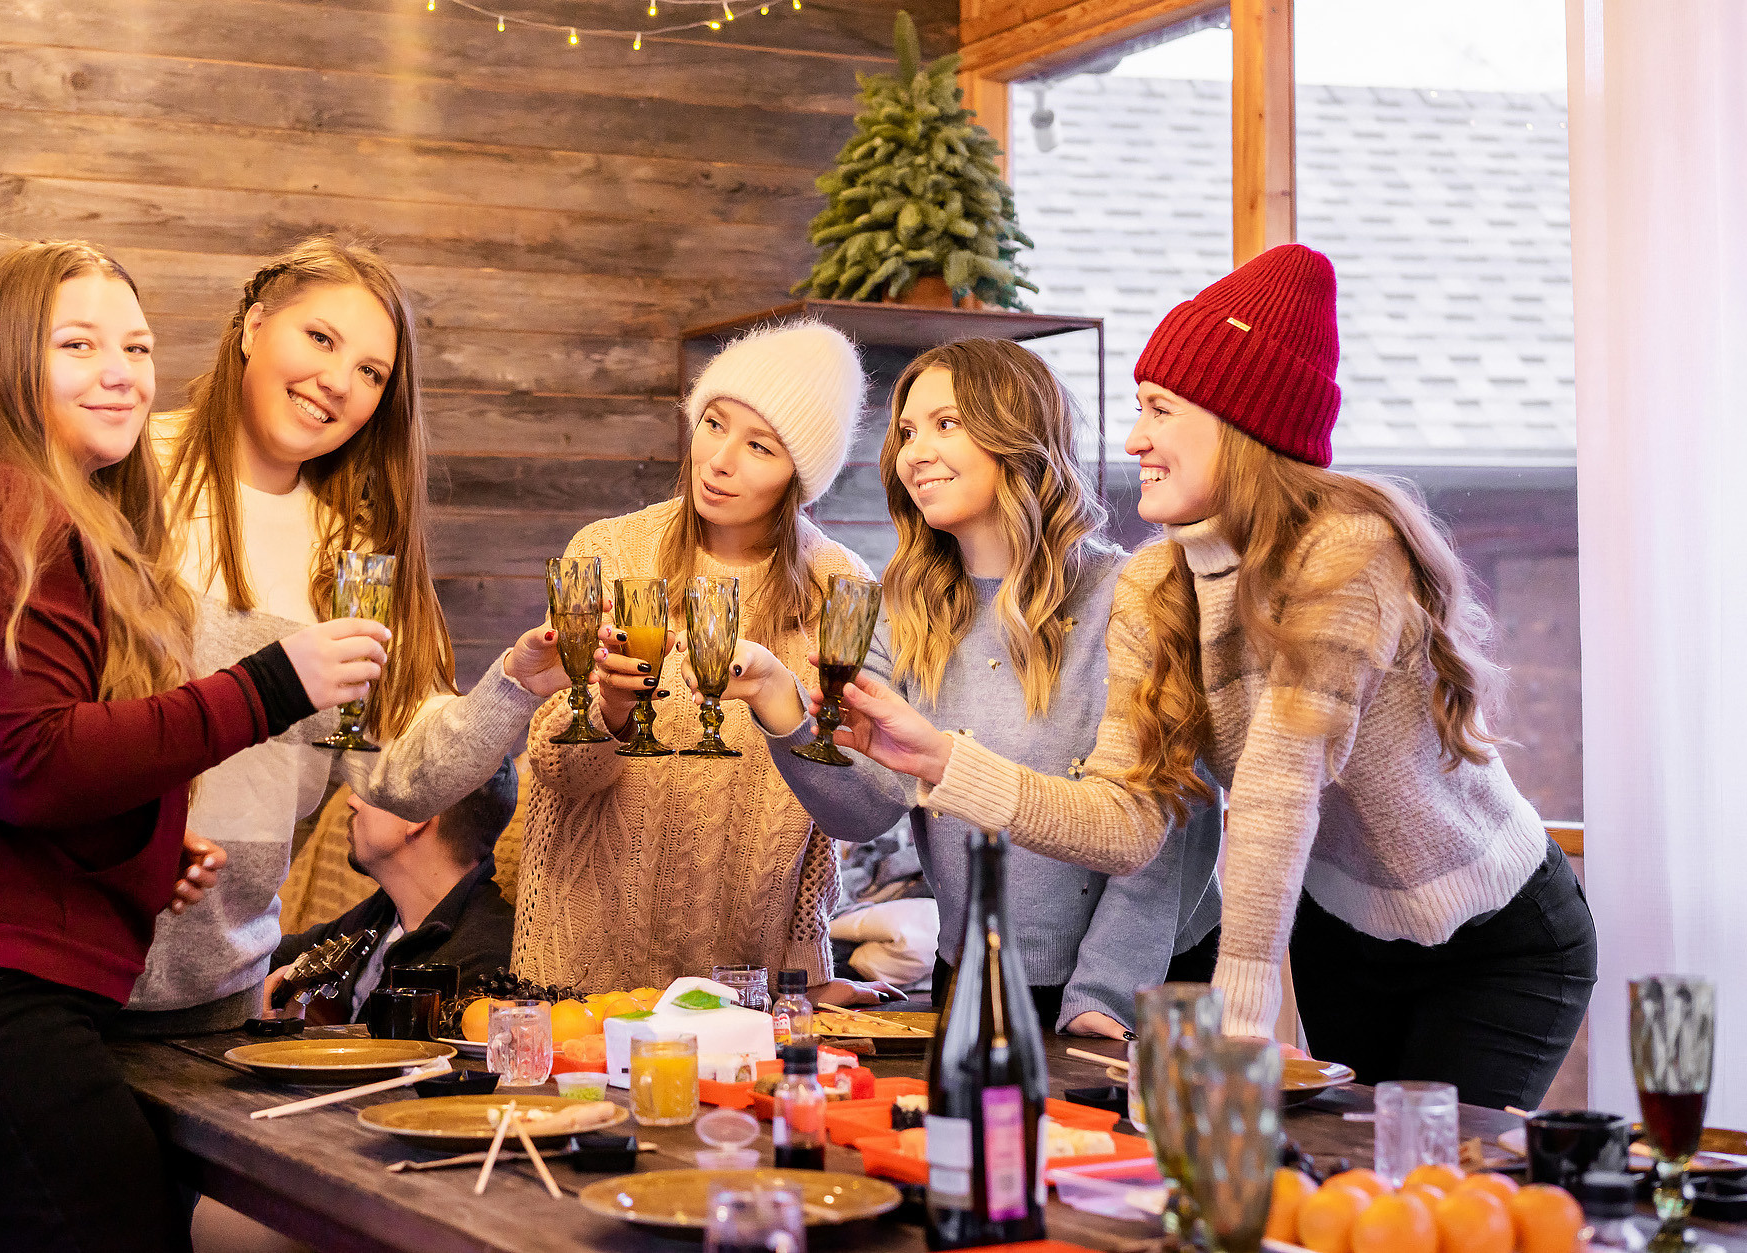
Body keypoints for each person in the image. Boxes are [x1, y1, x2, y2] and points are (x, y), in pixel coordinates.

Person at [807, 245, 1596, 1109]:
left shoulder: (1348, 554)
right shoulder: (1157, 584)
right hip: (1343, 932)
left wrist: (1239, 1027)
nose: (1134, 438)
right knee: (1361, 1167)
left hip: (1496, 934)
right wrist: (940, 760)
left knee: (1442, 1166)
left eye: (1160, 409)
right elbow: (1129, 821)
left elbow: (1275, 789)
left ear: (1239, 421)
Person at [0, 241, 388, 1251]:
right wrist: (273, 682)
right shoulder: (0, 505)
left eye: (136, 346)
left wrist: (140, 842)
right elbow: (31, 764)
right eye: (78, 344)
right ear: (9, 357)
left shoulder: (20, 506)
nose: (120, 372)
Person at [0, 237, 571, 1035]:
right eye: (320, 338)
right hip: (53, 965)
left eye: (372, 372)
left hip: (222, 986)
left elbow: (396, 772)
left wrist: (514, 685)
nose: (339, 382)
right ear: (253, 326)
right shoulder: (118, 460)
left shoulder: (357, 557)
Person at [720, 339, 1221, 1036]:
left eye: (946, 424)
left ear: (1018, 435)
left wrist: (1102, 995)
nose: (915, 453)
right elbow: (862, 811)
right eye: (906, 432)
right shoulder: (898, 607)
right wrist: (781, 708)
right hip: (974, 969)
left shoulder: (1133, 594)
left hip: (1143, 979)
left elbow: (1163, 826)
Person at [517, 322, 893, 1004]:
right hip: (582, 975)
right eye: (714, 424)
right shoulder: (609, 552)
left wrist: (806, 978)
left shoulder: (839, 587)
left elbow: (832, 802)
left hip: (744, 988)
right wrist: (610, 713)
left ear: (801, 475)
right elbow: (556, 774)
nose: (719, 461)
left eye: (760, 446)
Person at [265, 759, 519, 1025]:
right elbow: (269, 959)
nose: (352, 801)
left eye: (371, 789)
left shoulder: (483, 963)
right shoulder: (385, 913)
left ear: (416, 814)